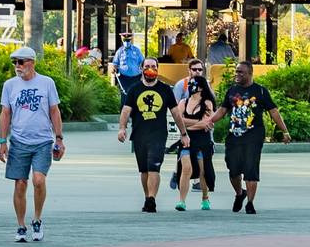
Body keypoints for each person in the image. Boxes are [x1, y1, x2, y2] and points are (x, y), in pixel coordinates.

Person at [206, 61, 291, 215]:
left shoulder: (260, 91)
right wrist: (210, 121)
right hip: (234, 136)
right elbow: (223, 109)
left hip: (254, 135)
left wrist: (284, 131)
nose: (237, 75)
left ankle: (250, 203)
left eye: (241, 72)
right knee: (233, 169)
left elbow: (273, 112)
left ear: (250, 73)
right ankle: (240, 194)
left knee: (251, 168)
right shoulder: (232, 90)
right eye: (236, 72)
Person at [0, 46, 64, 243]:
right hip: (18, 142)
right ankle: (21, 226)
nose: (17, 66)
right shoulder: (9, 85)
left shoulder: (46, 83)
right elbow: (5, 113)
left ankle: (37, 219)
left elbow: (54, 111)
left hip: (43, 141)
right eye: (14, 62)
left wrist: (59, 138)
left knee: (38, 180)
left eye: (21, 62)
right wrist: (2, 141)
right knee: (20, 184)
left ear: (32, 62)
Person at [117, 58, 189, 212]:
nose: (150, 69)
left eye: (153, 66)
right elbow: (126, 110)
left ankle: (152, 199)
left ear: (158, 69)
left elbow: (176, 113)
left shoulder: (165, 89)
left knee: (153, 167)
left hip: (158, 134)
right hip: (139, 134)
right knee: (144, 170)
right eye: (147, 66)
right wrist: (122, 128)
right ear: (141, 69)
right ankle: (147, 197)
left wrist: (184, 133)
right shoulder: (134, 89)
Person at [176, 71, 218, 211]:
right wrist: (197, 122)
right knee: (186, 168)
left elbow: (208, 122)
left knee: (202, 170)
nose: (192, 86)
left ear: (201, 87)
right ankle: (182, 201)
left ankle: (205, 198)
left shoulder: (207, 102)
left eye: (195, 84)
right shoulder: (184, 102)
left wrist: (188, 123)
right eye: (190, 83)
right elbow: (179, 120)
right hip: (187, 139)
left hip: (202, 141)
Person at [112, 31, 144, 97]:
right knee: (124, 97)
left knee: (136, 96)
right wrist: (114, 68)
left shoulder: (137, 50)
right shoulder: (119, 51)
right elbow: (115, 63)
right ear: (122, 40)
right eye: (125, 40)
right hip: (124, 79)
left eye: (128, 40)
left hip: (136, 78)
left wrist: (143, 75)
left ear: (131, 40)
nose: (126, 42)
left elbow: (143, 63)